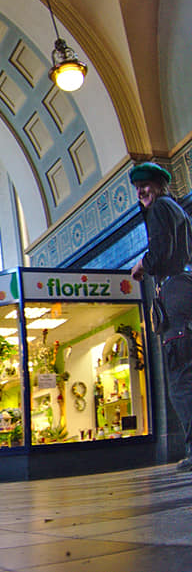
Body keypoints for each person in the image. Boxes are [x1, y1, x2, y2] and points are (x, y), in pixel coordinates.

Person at [129, 162, 192, 472]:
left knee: (181, 377)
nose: (141, 191)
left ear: (159, 185)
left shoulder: (160, 210)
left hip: (177, 293)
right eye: (137, 187)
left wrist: (143, 265)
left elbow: (160, 250)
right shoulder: (178, 210)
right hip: (186, 290)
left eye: (146, 185)